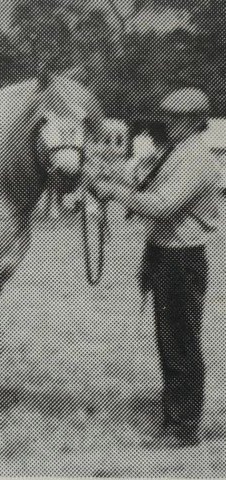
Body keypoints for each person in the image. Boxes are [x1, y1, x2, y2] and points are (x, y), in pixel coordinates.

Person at [88, 87, 221, 448]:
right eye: (168, 117)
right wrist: (105, 178)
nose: (169, 124)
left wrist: (114, 194)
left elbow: (162, 204)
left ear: (196, 122)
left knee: (181, 344)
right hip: (165, 253)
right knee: (169, 342)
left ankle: (183, 428)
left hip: (182, 258)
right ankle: (174, 417)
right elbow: (142, 181)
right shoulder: (176, 152)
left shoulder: (196, 159)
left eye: (177, 118)